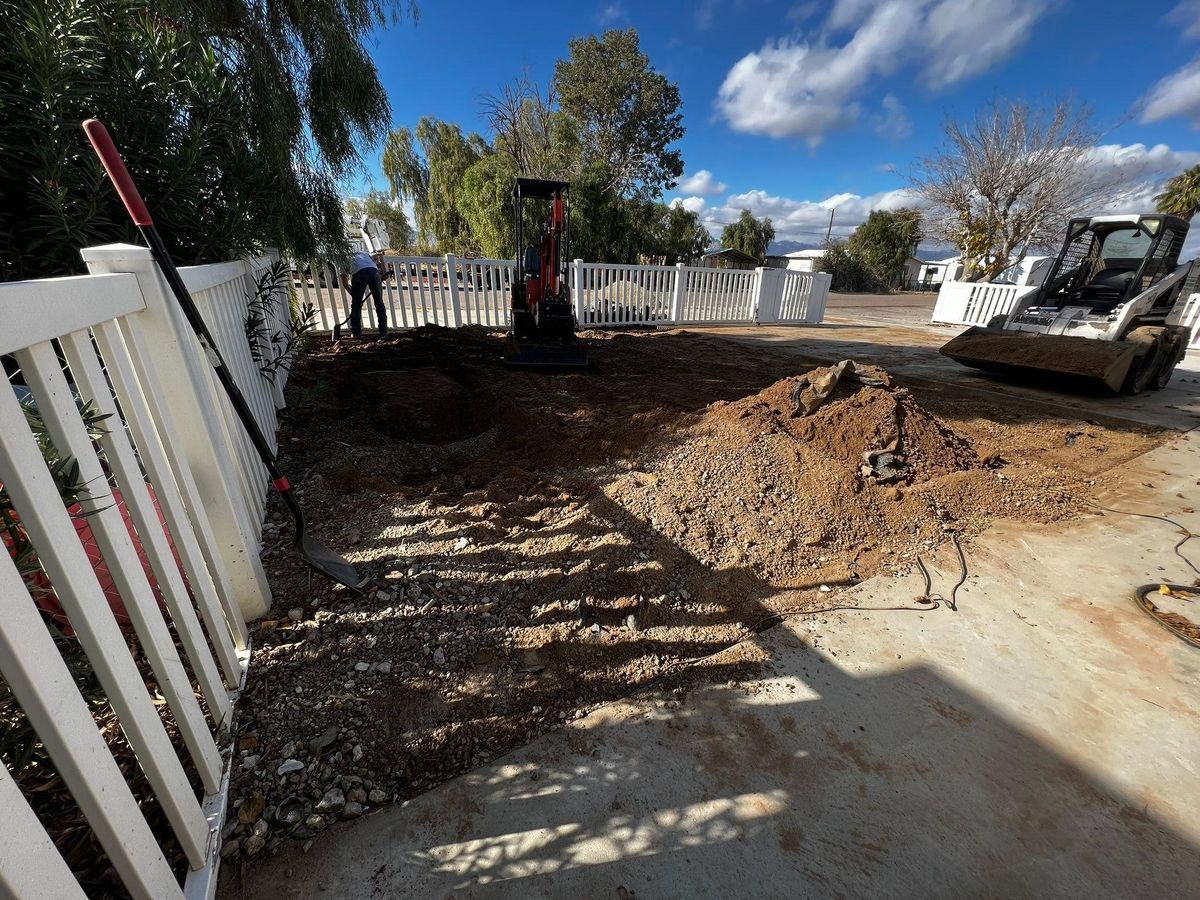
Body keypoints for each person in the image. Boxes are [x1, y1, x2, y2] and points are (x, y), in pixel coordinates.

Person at [340, 250, 387, 338]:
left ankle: (356, 333)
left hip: (359, 274)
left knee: (356, 305)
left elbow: (345, 284)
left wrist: (356, 298)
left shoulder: (342, 259)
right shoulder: (365, 254)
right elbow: (379, 256)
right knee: (379, 303)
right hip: (374, 272)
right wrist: (384, 272)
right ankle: (383, 333)